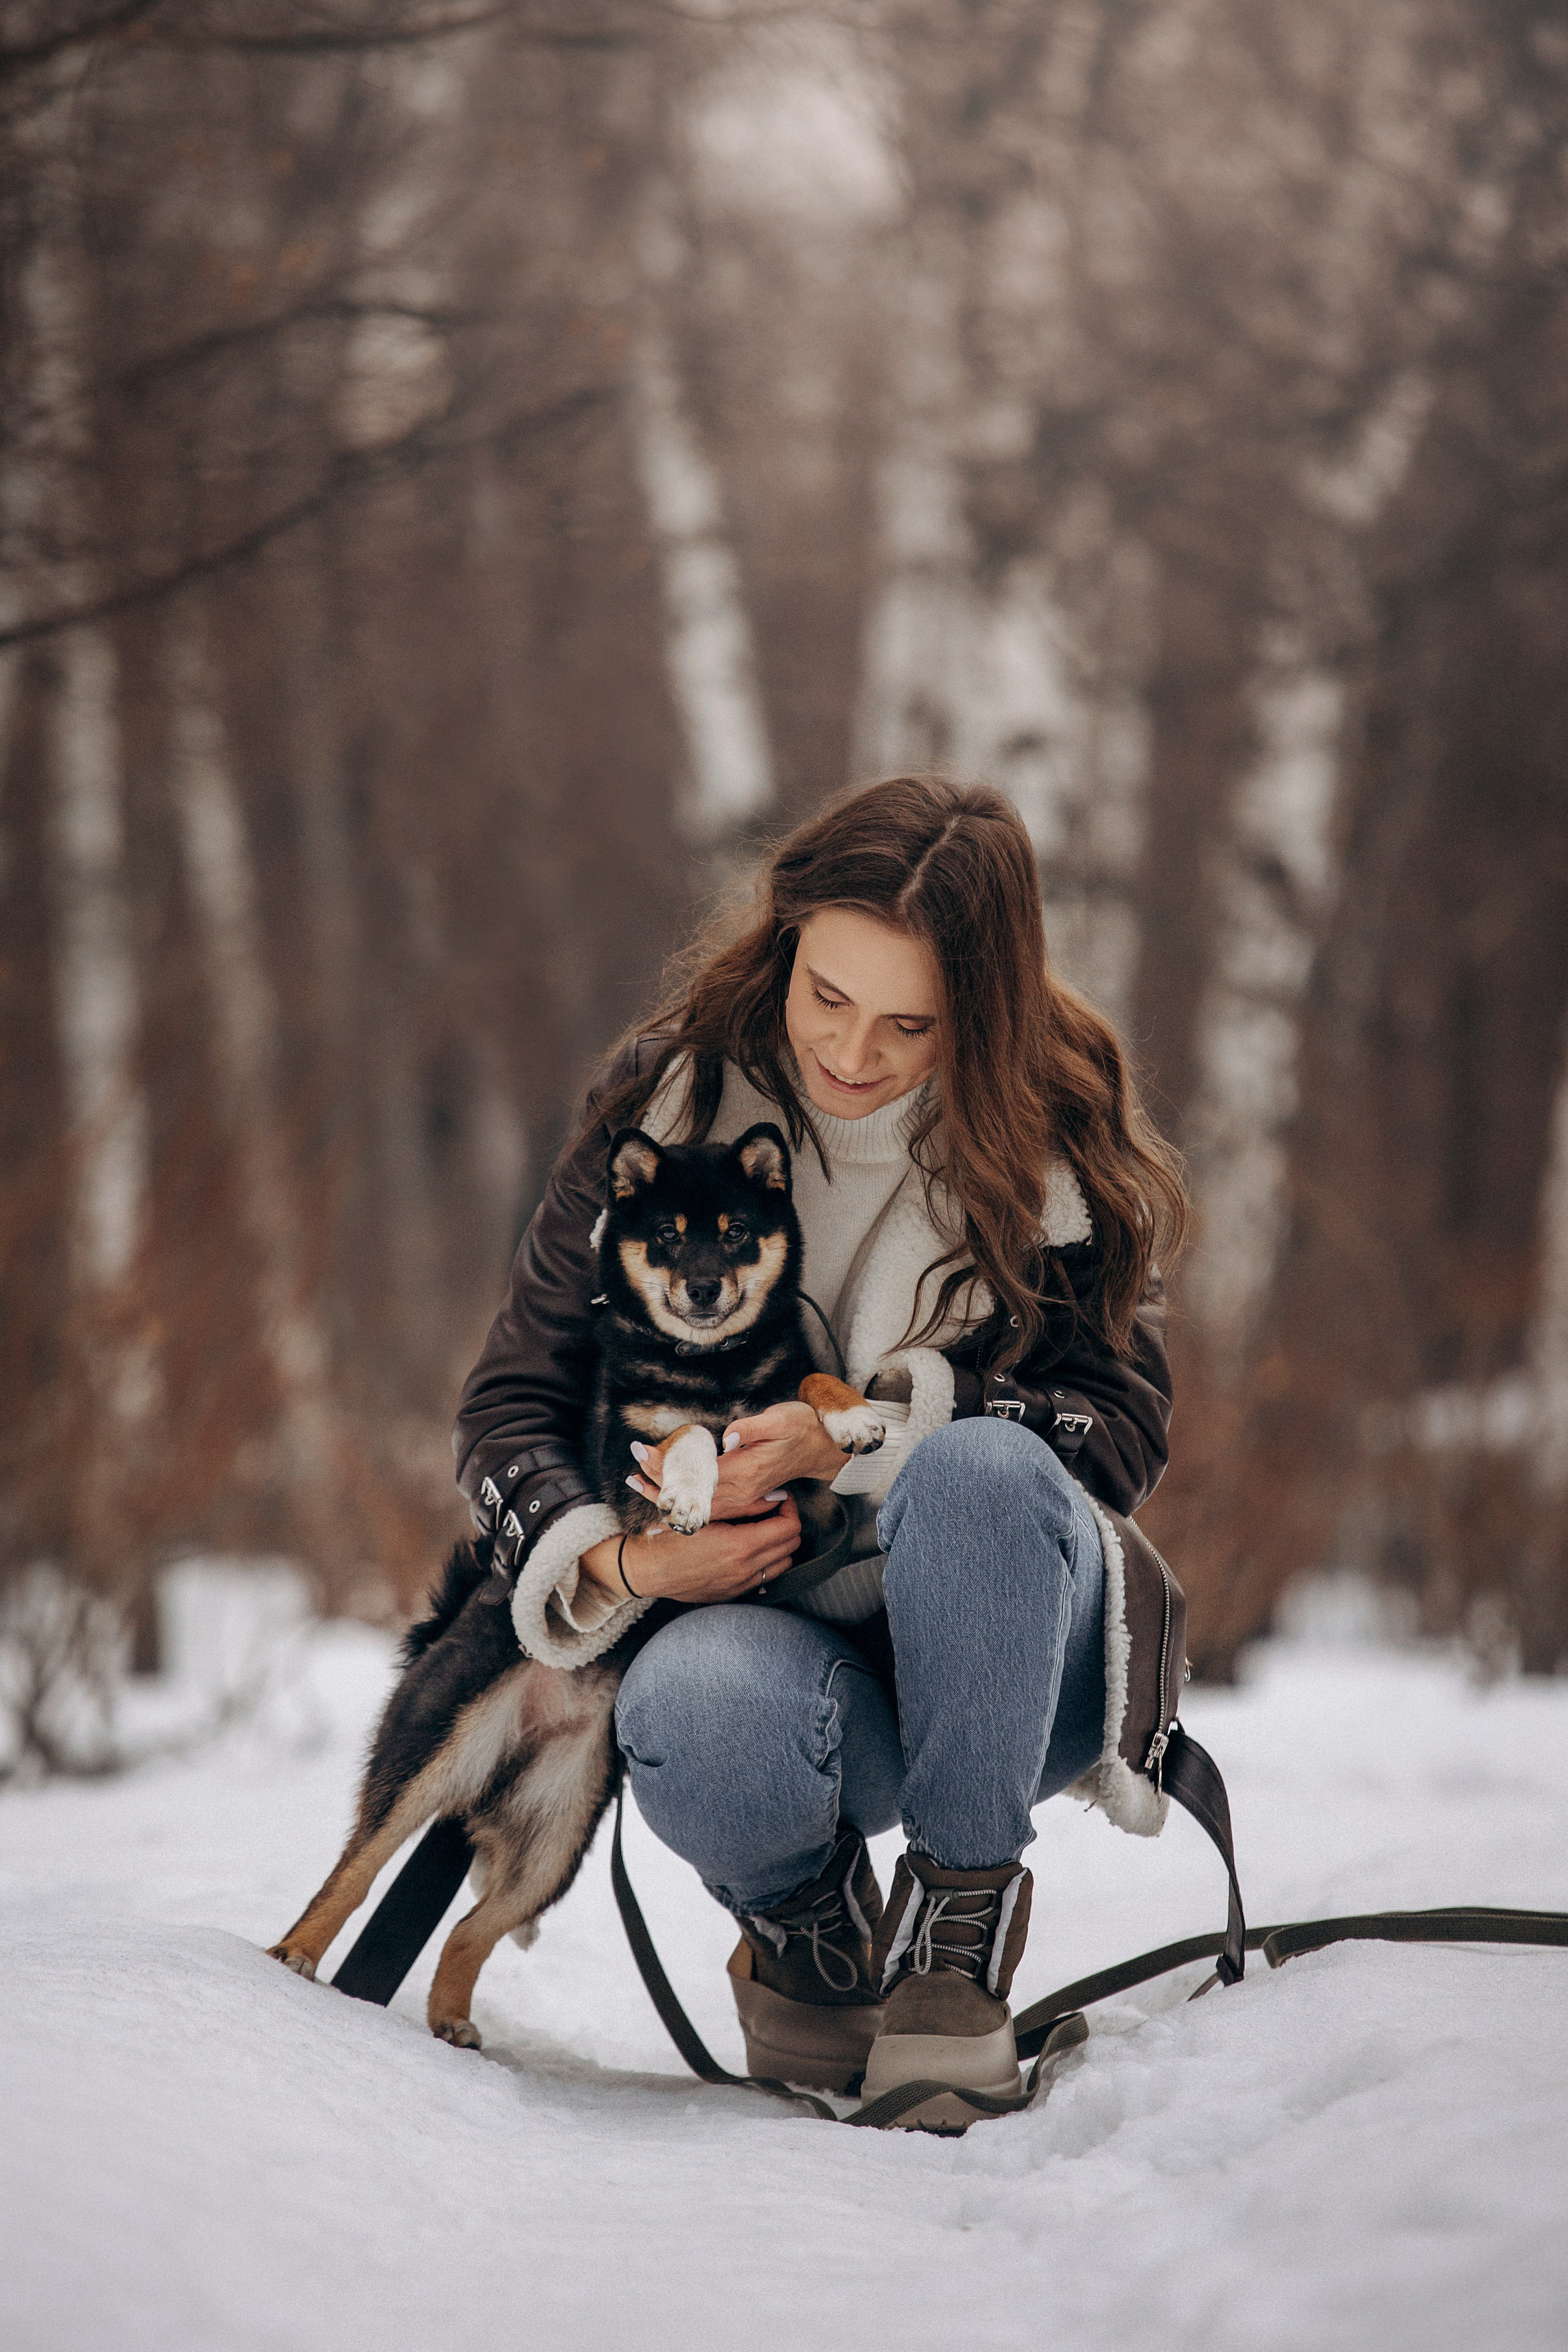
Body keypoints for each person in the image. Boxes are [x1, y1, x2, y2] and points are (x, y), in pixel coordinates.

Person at [454, 777, 1186, 2128]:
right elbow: (509, 1402)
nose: (852, 1055)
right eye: (825, 999)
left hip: (1021, 1648)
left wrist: (871, 1435)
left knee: (973, 1468)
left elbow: (1119, 1431)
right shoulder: (667, 1102)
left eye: (912, 1025)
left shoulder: (1051, 1127)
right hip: (787, 1656)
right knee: (687, 1702)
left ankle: (951, 1962)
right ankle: (810, 1938)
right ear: (781, 940)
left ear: (987, 1008)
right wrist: (625, 1555)